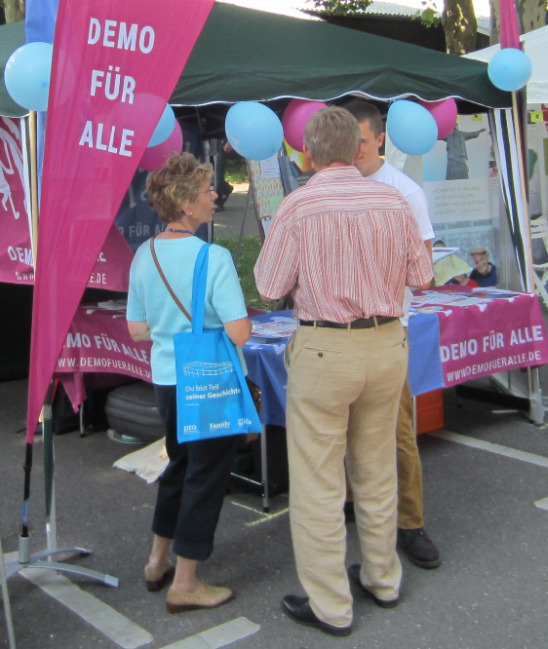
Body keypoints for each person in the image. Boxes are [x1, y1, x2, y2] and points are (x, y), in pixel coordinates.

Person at [254, 106, 433, 636]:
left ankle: (331, 604)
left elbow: (268, 285)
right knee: (376, 469)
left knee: (318, 481)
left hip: (327, 348)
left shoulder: (299, 205)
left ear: (307, 153)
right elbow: (422, 275)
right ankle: (383, 578)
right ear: (357, 147)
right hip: (386, 343)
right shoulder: (394, 200)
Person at [126, 152, 252, 613]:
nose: (215, 196)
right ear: (184, 202)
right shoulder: (212, 257)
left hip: (166, 379)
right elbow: (239, 332)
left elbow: (138, 329)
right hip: (208, 379)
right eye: (206, 191)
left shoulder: (144, 254)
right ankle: (186, 581)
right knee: (207, 474)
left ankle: (157, 560)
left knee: (179, 466)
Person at [344, 99, 441, 570]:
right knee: (342, 427)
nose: (353, 150)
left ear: (380, 138)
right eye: (347, 142)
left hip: (387, 329)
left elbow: (424, 272)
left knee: (398, 432)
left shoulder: (404, 192)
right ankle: (352, 503)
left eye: (360, 141)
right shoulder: (331, 187)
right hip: (339, 332)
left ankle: (410, 523)